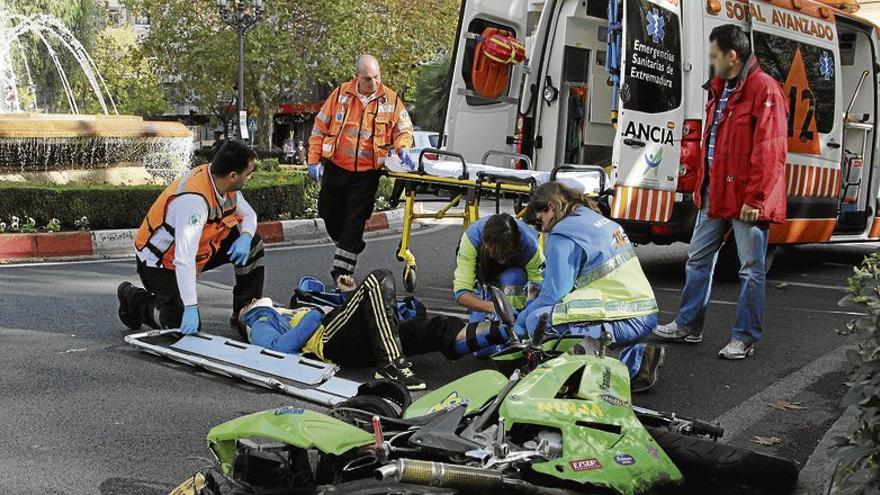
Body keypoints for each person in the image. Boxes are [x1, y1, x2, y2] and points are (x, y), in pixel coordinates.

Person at [653, 24, 787, 360]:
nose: (711, 62)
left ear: (732, 55)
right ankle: (689, 325)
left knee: (750, 269)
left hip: (745, 199)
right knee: (698, 258)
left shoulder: (765, 89)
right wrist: (701, 185)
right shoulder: (720, 88)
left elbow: (769, 150)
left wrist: (755, 200)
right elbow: (712, 141)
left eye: (714, 55)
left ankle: (745, 337)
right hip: (715, 192)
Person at [517, 182, 664, 393]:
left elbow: (554, 294)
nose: (541, 227)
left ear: (551, 207)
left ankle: (633, 363)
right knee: (544, 311)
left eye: (539, 219)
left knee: (538, 321)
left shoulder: (564, 235)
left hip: (628, 319)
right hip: (640, 311)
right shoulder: (592, 218)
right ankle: (633, 354)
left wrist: (520, 323)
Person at [117, 140, 265, 337]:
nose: (250, 177)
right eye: (248, 174)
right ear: (233, 176)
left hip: (198, 252)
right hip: (160, 264)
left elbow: (249, 215)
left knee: (253, 242)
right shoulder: (193, 201)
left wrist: (245, 237)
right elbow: (183, 258)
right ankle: (132, 299)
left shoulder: (222, 183)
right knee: (177, 324)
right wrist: (190, 307)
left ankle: (244, 312)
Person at [239, 270, 464, 391]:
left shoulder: (280, 313)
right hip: (329, 339)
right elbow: (279, 349)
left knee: (428, 329)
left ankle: (495, 334)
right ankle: (392, 364)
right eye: (248, 304)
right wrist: (317, 312)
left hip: (348, 335)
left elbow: (349, 321)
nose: (253, 300)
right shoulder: (259, 323)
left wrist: (349, 295)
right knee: (379, 279)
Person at [307, 54, 414, 286]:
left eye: (377, 77)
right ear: (356, 77)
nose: (374, 83)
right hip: (337, 168)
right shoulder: (339, 95)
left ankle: (342, 273)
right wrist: (313, 160)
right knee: (327, 211)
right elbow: (319, 128)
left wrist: (403, 147)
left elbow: (403, 129)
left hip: (367, 174)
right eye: (367, 79)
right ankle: (351, 244)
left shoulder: (391, 100)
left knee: (354, 222)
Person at [453, 213, 543, 323]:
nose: (503, 260)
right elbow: (461, 294)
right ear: (485, 244)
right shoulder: (472, 239)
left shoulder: (530, 246)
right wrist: (496, 308)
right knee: (478, 326)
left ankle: (512, 322)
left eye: (507, 254)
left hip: (512, 275)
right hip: (483, 273)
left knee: (513, 278)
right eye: (497, 254)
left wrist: (527, 315)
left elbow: (536, 286)